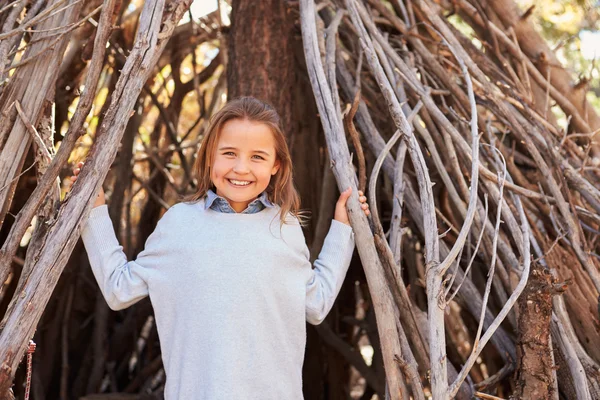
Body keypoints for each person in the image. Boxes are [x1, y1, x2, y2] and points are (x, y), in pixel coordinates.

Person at [71, 96, 370, 399]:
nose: (241, 168)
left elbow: (316, 304)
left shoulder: (285, 228)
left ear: (276, 165)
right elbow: (119, 288)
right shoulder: (180, 225)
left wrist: (342, 228)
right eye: (229, 153)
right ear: (210, 156)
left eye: (257, 157)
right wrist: (94, 211)